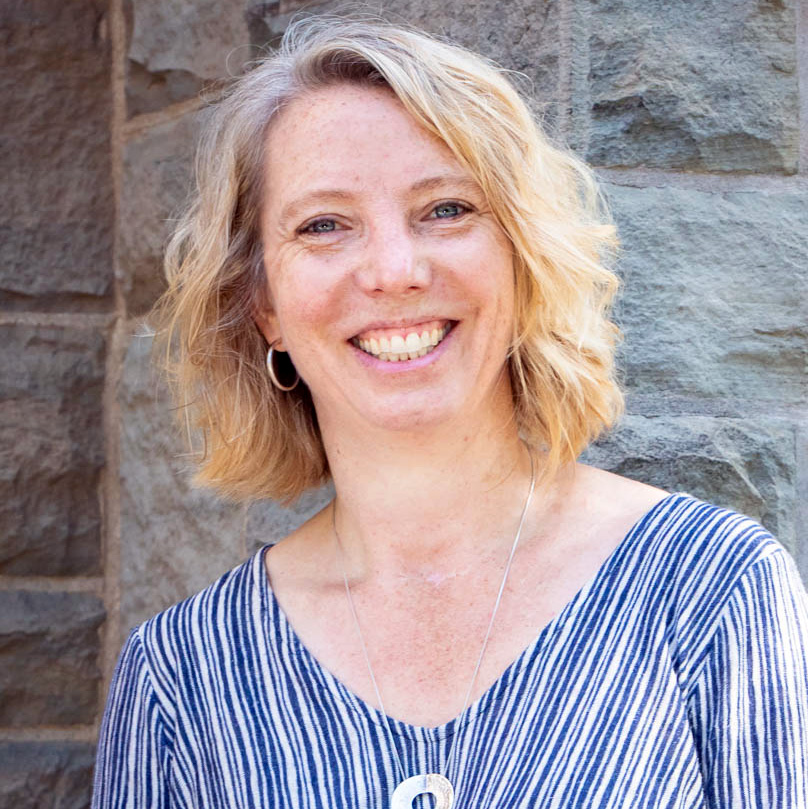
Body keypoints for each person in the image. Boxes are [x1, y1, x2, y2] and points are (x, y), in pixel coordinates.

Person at [92, 16, 808, 809]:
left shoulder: (711, 593)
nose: (395, 270)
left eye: (445, 208)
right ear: (264, 304)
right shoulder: (183, 679)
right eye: (324, 225)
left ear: (521, 259)